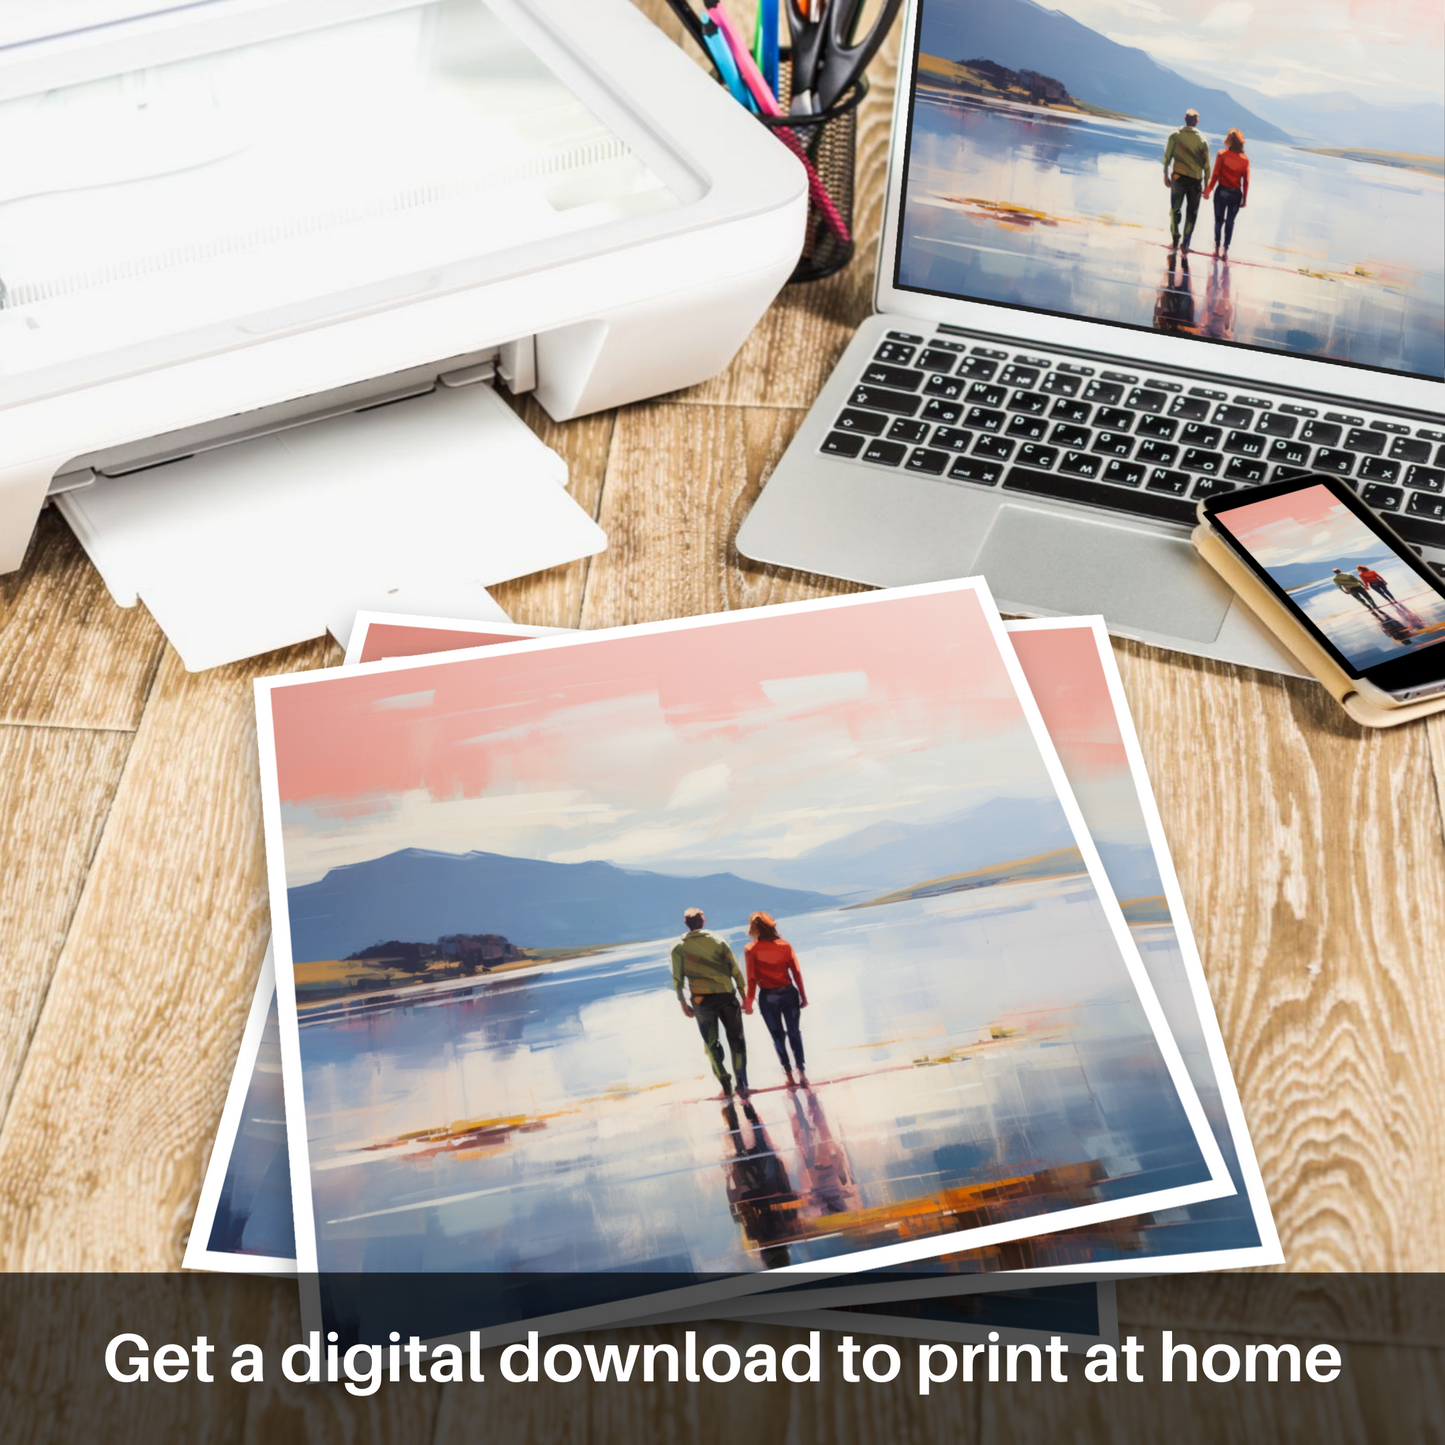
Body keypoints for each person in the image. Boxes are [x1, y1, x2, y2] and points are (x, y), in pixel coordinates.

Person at [671, 908, 749, 1098]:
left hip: (701, 1000)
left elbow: (678, 979)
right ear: (703, 921)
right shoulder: (718, 940)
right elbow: (734, 969)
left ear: (686, 923)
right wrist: (743, 993)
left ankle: (724, 1079)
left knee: (711, 1043)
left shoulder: (679, 947)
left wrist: (682, 1003)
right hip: (726, 997)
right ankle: (742, 1083)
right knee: (736, 1041)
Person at [743, 911, 809, 1088]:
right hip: (789, 993)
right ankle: (802, 1072)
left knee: (777, 1037)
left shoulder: (750, 949)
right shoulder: (784, 945)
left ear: (753, 928)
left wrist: (749, 1002)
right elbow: (796, 973)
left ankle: (788, 1075)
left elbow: (751, 979)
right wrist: (803, 995)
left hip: (768, 996)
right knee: (794, 1033)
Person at [1163, 108, 1210, 252]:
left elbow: (1168, 156)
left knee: (1175, 210)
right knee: (1192, 213)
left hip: (1178, 178)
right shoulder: (1202, 139)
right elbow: (1206, 164)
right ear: (1196, 121)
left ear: (1185, 119)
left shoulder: (1175, 135)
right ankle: (1185, 243)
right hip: (1195, 182)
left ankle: (1175, 236)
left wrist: (1165, 173)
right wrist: (1206, 184)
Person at [1203, 129, 1250, 257]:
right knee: (1230, 222)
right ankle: (1226, 250)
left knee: (1218, 221)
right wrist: (1244, 199)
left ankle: (1217, 249)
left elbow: (1215, 176)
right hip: (1236, 194)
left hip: (1222, 192)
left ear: (1229, 140)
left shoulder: (1221, 154)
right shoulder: (1245, 160)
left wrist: (1208, 190)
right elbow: (1245, 182)